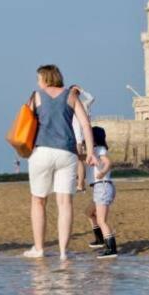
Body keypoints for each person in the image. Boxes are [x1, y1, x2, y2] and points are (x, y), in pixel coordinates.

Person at [24, 65, 96, 261]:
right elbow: (85, 124)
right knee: (65, 203)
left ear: (45, 79)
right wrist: (90, 152)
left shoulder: (36, 96)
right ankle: (63, 252)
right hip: (67, 153)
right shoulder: (71, 96)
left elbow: (26, 122)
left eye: (39, 78)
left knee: (38, 201)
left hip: (42, 151)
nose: (37, 82)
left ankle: (39, 249)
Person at [84, 126, 117, 259]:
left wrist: (102, 172)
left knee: (101, 220)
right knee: (88, 212)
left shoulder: (99, 149)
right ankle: (100, 240)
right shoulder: (94, 151)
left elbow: (108, 162)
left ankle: (111, 249)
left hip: (103, 186)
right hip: (100, 188)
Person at [70, 86, 94, 192]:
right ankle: (81, 183)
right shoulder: (83, 104)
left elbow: (92, 98)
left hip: (78, 137)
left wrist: (81, 90)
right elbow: (91, 98)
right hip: (82, 136)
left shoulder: (81, 104)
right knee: (80, 160)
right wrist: (82, 90)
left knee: (79, 160)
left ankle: (80, 184)